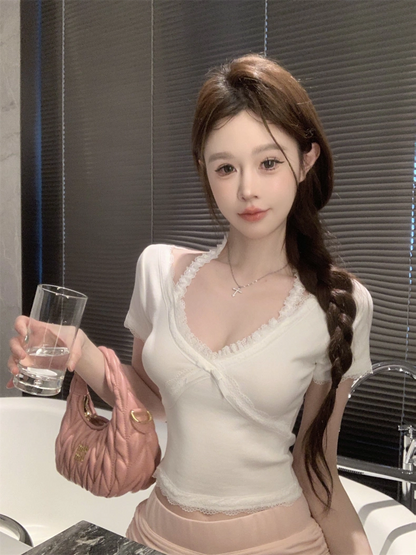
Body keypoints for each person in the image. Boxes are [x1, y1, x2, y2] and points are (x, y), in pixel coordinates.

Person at [8, 53, 374, 555]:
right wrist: (80, 352)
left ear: (306, 160)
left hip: (278, 543)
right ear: (205, 170)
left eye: (269, 162)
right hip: (154, 536)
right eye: (226, 168)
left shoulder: (338, 304)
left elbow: (317, 470)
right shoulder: (160, 270)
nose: (247, 189)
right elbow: (153, 400)